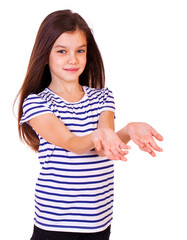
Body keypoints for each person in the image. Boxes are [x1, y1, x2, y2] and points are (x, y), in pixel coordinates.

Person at [16, 10, 163, 240]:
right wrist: (97, 135)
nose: (73, 59)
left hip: (98, 221)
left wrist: (128, 130)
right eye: (62, 51)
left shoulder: (103, 97)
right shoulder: (37, 103)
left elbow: (105, 145)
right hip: (56, 224)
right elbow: (71, 142)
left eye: (80, 51)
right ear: (46, 55)